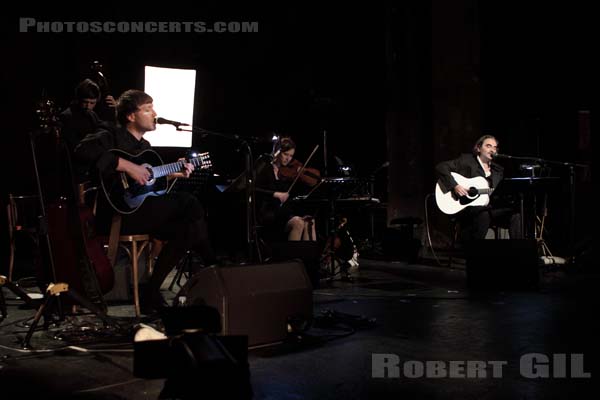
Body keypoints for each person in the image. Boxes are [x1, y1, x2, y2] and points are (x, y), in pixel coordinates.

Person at [74, 89, 218, 313]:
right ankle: (214, 267)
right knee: (189, 203)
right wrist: (125, 165)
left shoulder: (146, 149)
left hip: (141, 212)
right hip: (116, 213)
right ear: (131, 116)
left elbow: (148, 185)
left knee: (188, 229)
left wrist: (174, 172)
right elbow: (81, 152)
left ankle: (151, 291)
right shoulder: (109, 133)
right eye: (148, 109)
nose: (155, 114)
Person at [435, 134, 522, 245]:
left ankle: (519, 251)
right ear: (478, 148)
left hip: (489, 209)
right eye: (488, 146)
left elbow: (497, 193)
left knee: (516, 214)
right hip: (465, 208)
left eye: (495, 147)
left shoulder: (498, 170)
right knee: (483, 214)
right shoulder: (466, 161)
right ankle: (474, 253)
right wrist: (455, 186)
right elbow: (441, 167)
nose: (492, 150)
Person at [255, 137, 317, 241]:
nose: (288, 159)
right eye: (285, 154)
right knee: (298, 222)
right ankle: (292, 257)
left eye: (291, 156)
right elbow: (254, 189)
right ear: (277, 152)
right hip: (269, 213)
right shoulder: (266, 168)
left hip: (285, 212)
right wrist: (275, 194)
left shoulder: (289, 171)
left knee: (310, 222)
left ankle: (308, 256)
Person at [59, 79, 117, 183]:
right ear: (78, 99)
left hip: (92, 164)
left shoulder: (92, 115)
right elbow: (74, 148)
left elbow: (105, 130)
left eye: (92, 103)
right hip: (79, 168)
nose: (88, 106)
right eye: (85, 102)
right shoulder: (67, 116)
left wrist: (116, 109)